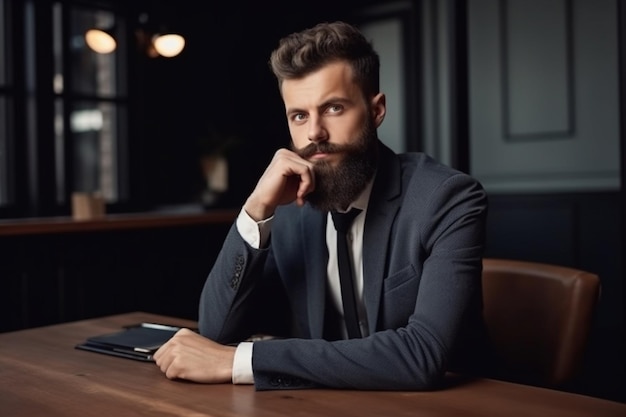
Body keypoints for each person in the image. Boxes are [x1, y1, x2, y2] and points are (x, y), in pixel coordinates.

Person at [154, 20, 489, 390]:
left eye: (333, 108)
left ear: (376, 110)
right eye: (299, 116)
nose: (314, 133)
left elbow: (422, 355)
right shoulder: (289, 204)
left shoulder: (447, 198)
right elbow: (216, 332)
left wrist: (242, 360)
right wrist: (255, 210)